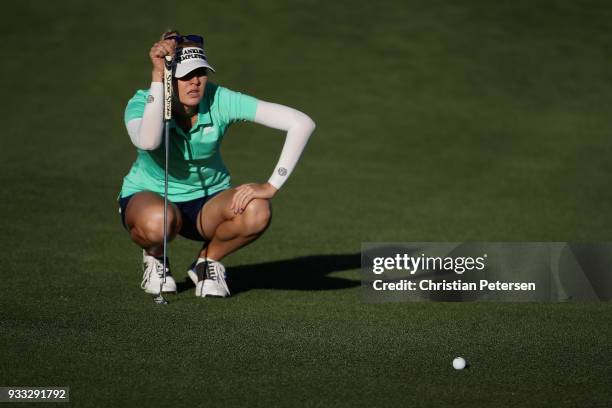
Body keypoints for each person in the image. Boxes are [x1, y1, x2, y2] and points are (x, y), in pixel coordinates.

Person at [118, 31, 315, 298]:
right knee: (159, 222)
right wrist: (157, 79)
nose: (195, 82)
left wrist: (272, 185)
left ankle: (207, 263)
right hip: (151, 196)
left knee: (257, 210)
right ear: (169, 77)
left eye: (201, 73)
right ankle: (155, 257)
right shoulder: (143, 102)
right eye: (185, 75)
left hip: (208, 202)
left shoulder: (220, 98)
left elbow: (301, 123)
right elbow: (149, 142)